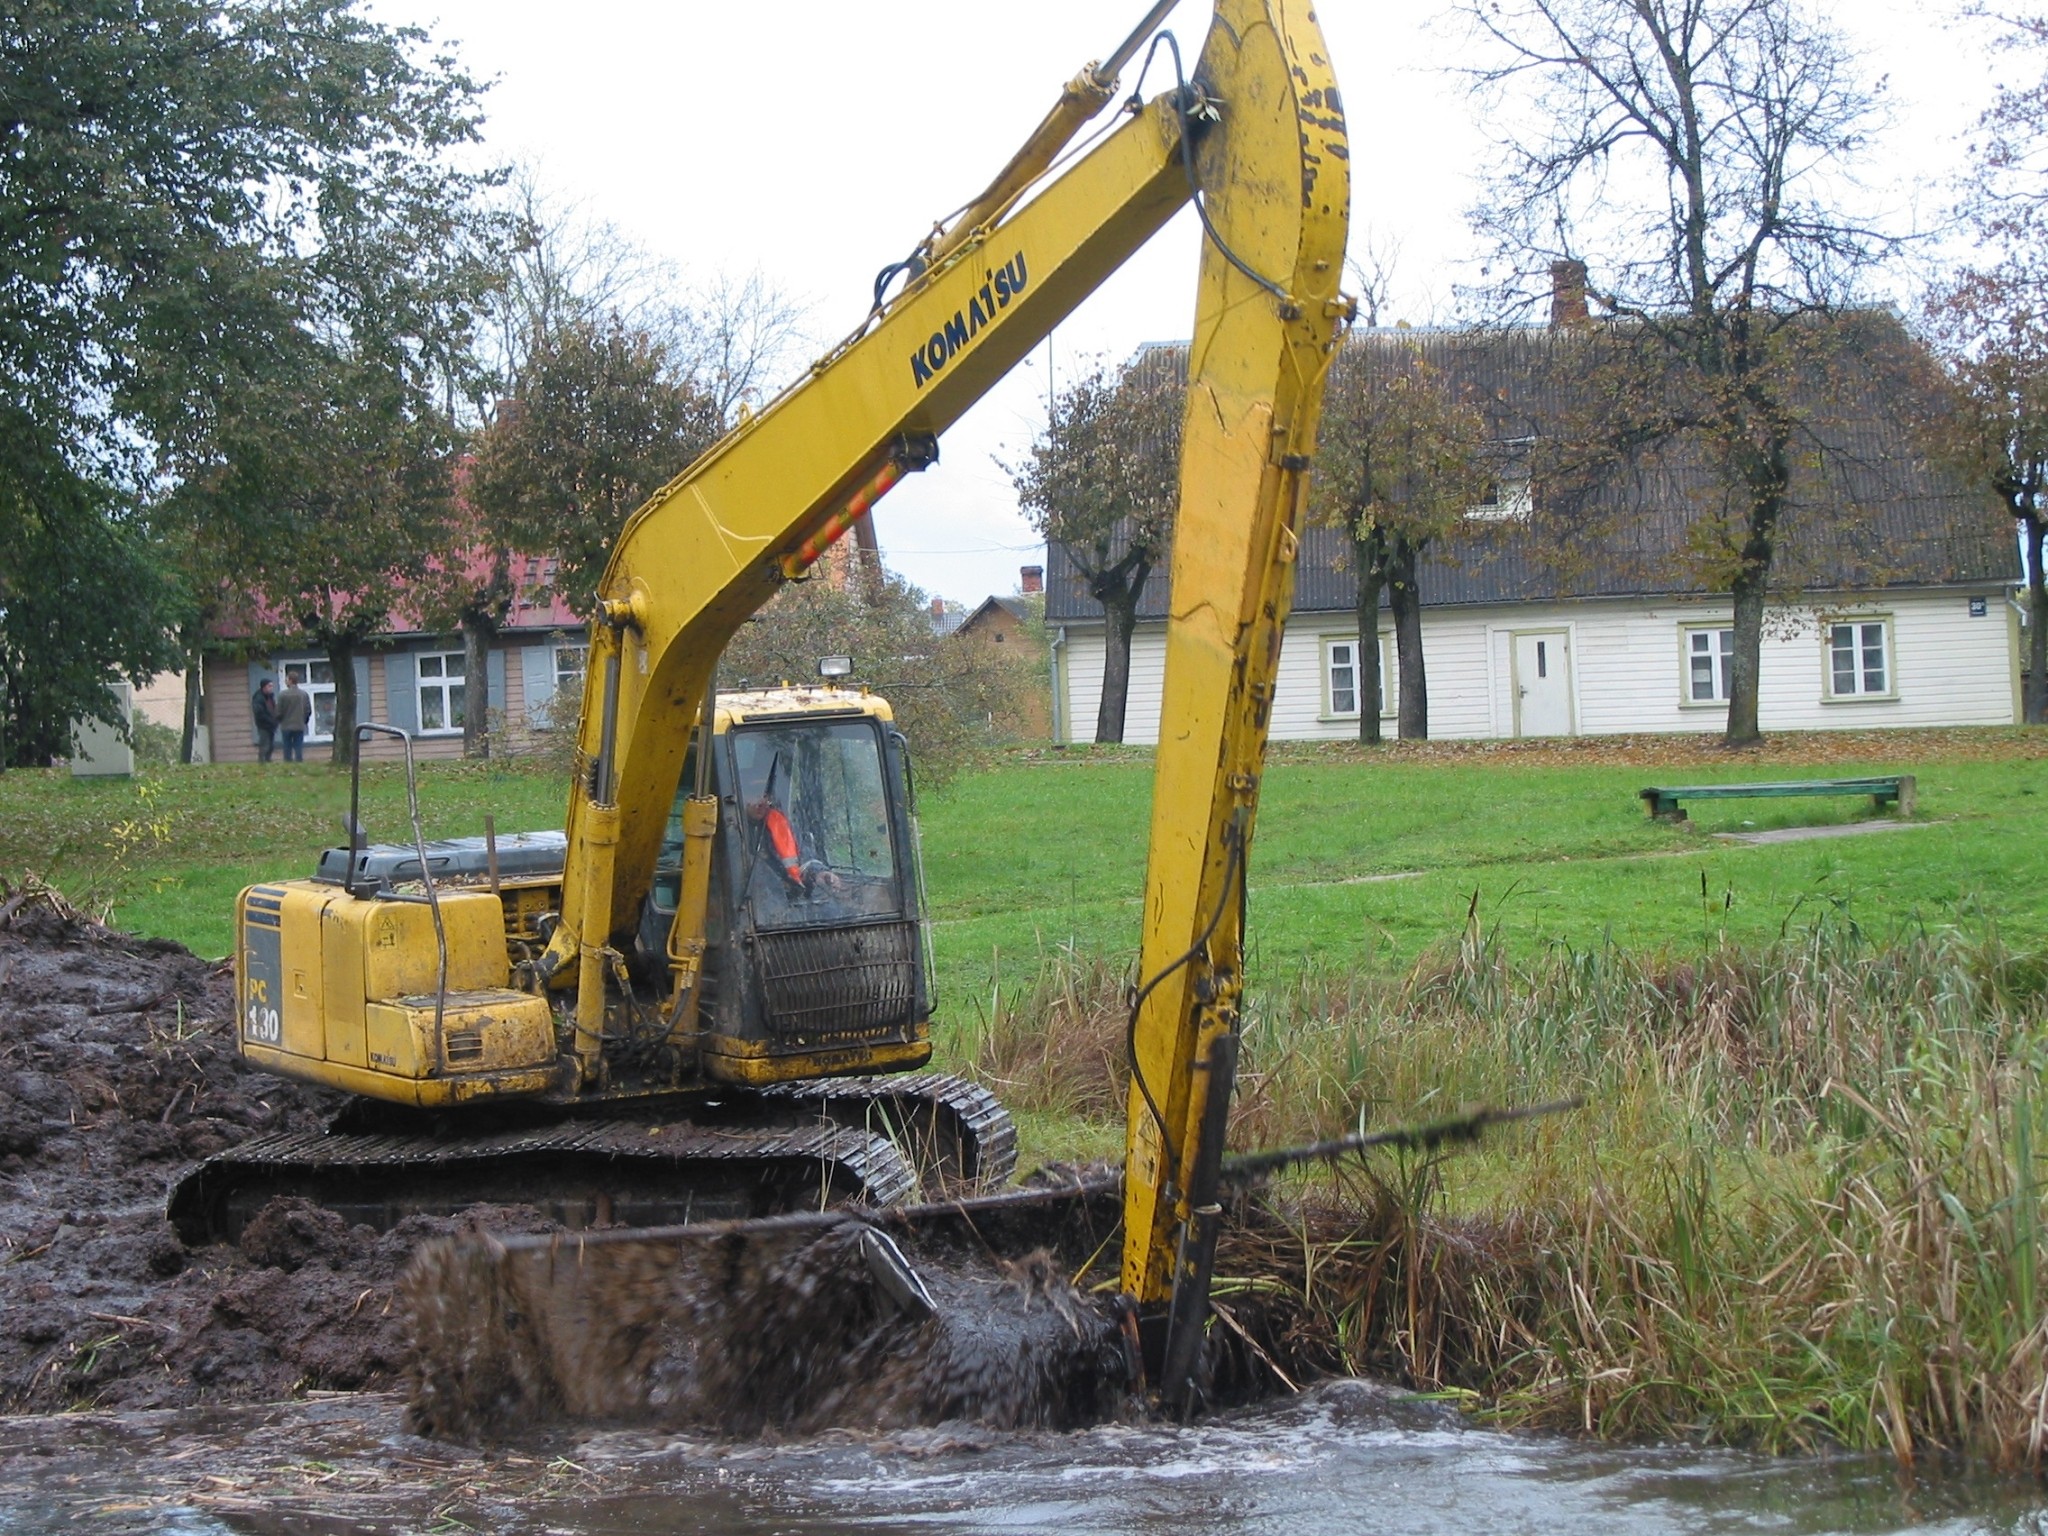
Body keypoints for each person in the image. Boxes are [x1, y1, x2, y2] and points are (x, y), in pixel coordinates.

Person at [275, 668, 312, 763]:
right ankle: (299, 762)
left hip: (286, 725)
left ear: (290, 680)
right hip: (299, 724)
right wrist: (304, 721)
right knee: (298, 746)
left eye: (287, 679)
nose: (286, 681)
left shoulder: (282, 695)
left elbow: (279, 711)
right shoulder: (303, 694)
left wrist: (280, 720)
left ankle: (288, 764)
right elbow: (308, 710)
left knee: (287, 746)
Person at [251, 678, 278, 764]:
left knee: (271, 745)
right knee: (264, 745)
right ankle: (262, 762)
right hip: (263, 725)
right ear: (264, 687)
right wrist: (270, 720)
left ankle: (268, 760)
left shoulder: (270, 697)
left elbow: (273, 709)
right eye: (269, 686)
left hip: (271, 725)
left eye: (272, 686)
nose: (271, 688)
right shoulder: (258, 698)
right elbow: (259, 713)